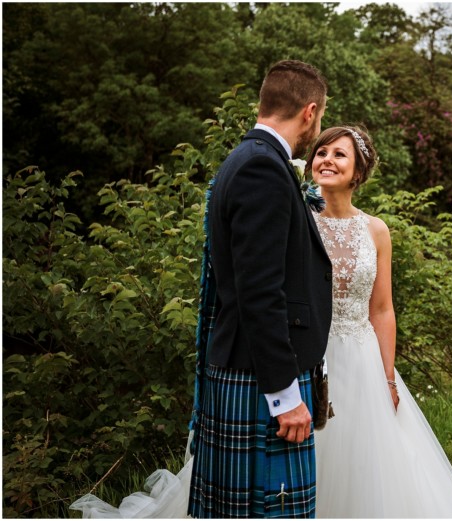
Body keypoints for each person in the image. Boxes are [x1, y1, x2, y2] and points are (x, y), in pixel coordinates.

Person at [70, 59, 333, 519]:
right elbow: (259, 291)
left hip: (247, 372)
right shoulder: (262, 170)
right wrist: (285, 395)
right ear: (309, 112)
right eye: (320, 117)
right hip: (258, 379)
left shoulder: (247, 159)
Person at [307, 126, 452, 518]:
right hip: (313, 351)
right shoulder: (299, 219)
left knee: (367, 459)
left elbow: (382, 309)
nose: (327, 160)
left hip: (363, 360)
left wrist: (387, 377)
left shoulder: (376, 230)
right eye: (322, 152)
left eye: (339, 154)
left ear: (358, 172)